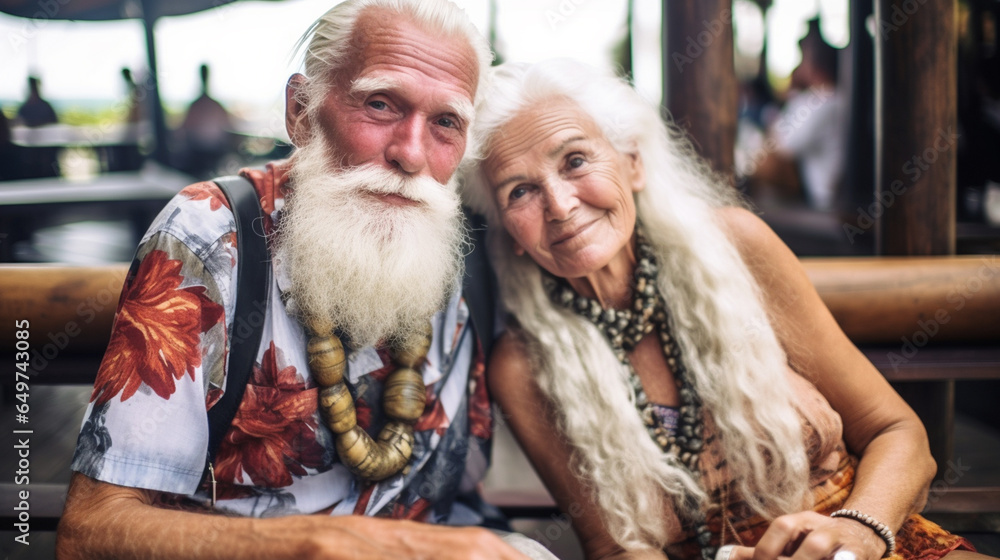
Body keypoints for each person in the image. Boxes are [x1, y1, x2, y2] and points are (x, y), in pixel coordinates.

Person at [55, 2, 553, 559]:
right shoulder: (210, 236)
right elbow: (90, 532)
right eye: (380, 103)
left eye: (446, 123)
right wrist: (318, 545)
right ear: (301, 110)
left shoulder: (466, 240)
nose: (412, 154)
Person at [460, 59, 985, 560]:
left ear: (634, 163)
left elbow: (898, 432)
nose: (559, 204)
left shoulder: (736, 245)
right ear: (511, 233)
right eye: (520, 191)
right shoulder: (523, 365)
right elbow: (616, 548)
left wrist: (857, 532)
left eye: (575, 160)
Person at [747, 20, 845, 212]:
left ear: (814, 63)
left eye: (804, 58)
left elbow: (784, 145)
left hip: (822, 197)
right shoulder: (826, 99)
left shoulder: (824, 101)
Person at [176, 64, 235, 177]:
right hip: (203, 155)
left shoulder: (198, 105)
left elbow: (182, 130)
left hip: (205, 155)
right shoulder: (213, 105)